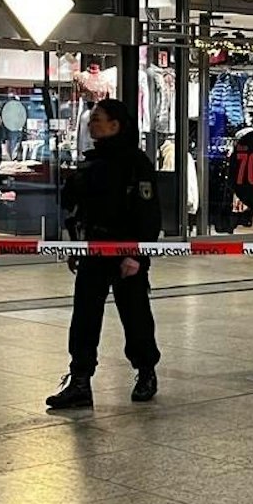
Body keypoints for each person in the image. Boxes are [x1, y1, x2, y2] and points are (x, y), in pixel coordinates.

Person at [47, 98, 162, 410]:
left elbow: (149, 215)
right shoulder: (92, 163)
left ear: (116, 125)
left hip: (127, 252)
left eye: (97, 119)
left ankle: (146, 372)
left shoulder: (136, 164)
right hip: (93, 250)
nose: (91, 124)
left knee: (135, 314)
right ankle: (80, 381)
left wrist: (137, 256)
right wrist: (75, 245)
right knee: (84, 316)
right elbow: (78, 209)